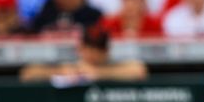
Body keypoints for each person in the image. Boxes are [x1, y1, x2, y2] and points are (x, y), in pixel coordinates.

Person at [19, 23, 148, 83]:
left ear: (106, 51)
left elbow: (139, 71)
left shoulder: (110, 63)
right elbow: (27, 74)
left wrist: (99, 73)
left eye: (97, 49)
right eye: (88, 48)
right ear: (80, 47)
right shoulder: (70, 61)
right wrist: (59, 71)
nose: (92, 54)